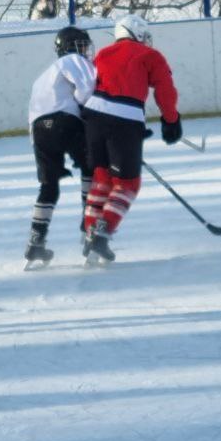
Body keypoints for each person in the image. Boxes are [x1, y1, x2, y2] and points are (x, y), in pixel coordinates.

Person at [79, 14, 182, 265]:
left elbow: (90, 84)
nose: (146, 40)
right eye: (144, 34)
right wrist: (171, 120)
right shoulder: (151, 56)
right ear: (135, 33)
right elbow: (165, 88)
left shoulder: (103, 53)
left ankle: (92, 234)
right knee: (127, 184)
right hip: (124, 118)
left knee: (102, 179)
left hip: (92, 118)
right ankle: (102, 234)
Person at [24, 26, 97, 269]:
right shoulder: (73, 60)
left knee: (49, 185)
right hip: (65, 121)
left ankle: (36, 242)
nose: (85, 50)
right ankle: (89, 231)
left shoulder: (40, 78)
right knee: (91, 168)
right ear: (69, 46)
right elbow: (87, 91)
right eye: (81, 44)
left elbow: (33, 116)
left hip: (39, 130)